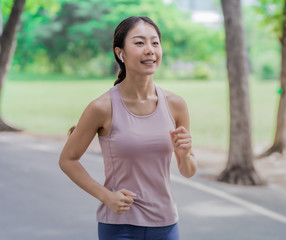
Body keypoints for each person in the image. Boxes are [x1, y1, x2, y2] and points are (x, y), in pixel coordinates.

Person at [59, 16, 197, 240]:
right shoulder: (101, 107)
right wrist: (106, 197)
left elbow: (188, 171)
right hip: (119, 227)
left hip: (165, 223)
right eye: (140, 43)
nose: (150, 50)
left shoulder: (176, 105)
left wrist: (184, 154)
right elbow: (68, 160)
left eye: (155, 42)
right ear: (120, 52)